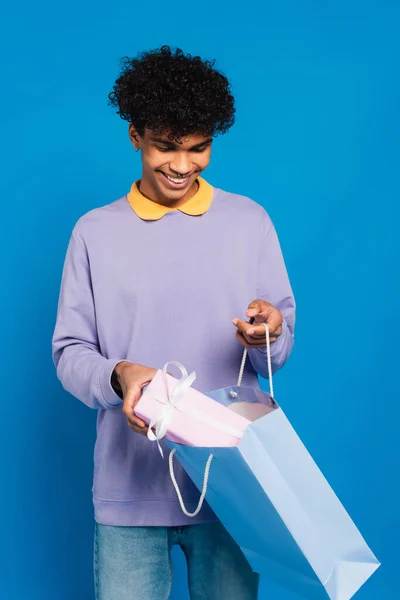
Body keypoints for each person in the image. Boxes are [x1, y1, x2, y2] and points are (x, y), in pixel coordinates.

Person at [52, 45, 295, 600]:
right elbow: (69, 352)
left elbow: (278, 349)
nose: (182, 166)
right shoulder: (94, 232)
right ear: (136, 135)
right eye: (165, 146)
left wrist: (270, 333)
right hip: (128, 489)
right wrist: (119, 376)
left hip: (232, 485)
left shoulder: (249, 222)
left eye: (198, 148)